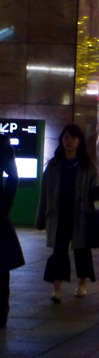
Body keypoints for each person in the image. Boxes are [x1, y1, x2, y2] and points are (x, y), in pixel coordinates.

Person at [35, 124, 99, 303]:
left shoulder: (86, 166)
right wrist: (41, 217)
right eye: (66, 137)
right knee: (59, 251)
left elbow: (93, 191)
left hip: (80, 215)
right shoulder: (53, 165)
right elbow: (44, 193)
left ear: (79, 141)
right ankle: (57, 289)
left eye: (73, 138)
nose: (69, 141)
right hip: (58, 214)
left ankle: (82, 283)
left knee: (82, 250)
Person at [0, 135, 22, 327]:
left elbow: (13, 176)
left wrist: (4, 205)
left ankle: (1, 305)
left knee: (1, 261)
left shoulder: (2, 144)